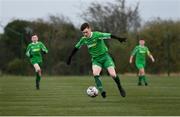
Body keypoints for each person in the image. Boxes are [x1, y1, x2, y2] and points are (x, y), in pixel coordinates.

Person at [67, 22, 126, 98]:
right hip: (96, 59)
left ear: (90, 29)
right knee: (95, 73)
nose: (85, 34)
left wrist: (119, 39)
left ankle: (120, 87)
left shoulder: (97, 35)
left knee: (113, 74)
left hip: (105, 57)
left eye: (86, 32)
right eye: (83, 33)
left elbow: (109, 35)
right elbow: (76, 48)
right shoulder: (84, 39)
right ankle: (102, 91)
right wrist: (70, 57)